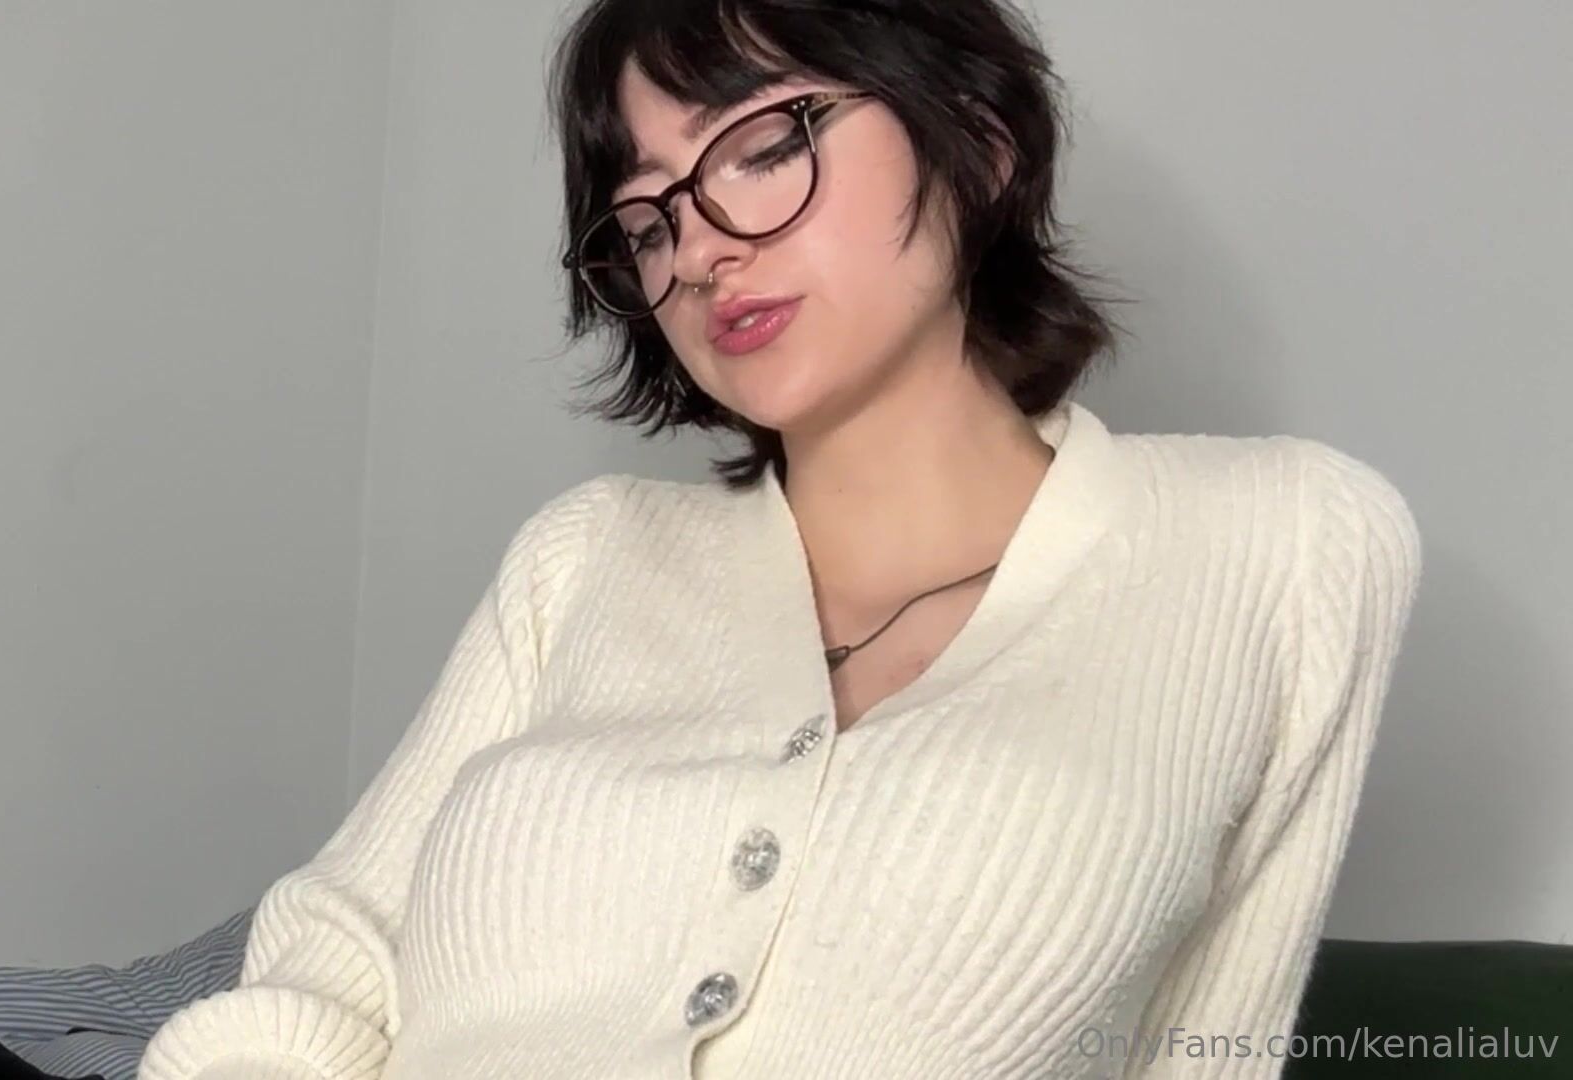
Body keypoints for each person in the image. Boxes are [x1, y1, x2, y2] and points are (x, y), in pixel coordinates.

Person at [139, 1, 1423, 1077]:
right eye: (647, 222)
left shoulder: (1283, 548)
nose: (698, 252)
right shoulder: (586, 559)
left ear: (978, 143)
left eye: (760, 146)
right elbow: (329, 961)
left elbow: (1206, 1044)